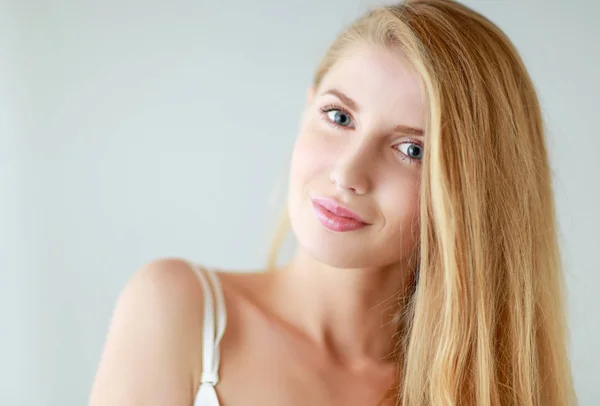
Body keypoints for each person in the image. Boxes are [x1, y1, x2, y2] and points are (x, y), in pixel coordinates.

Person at [88, 0, 576, 405]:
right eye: (339, 117)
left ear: (475, 192)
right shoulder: (180, 309)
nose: (347, 173)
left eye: (412, 150)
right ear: (308, 105)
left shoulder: (485, 389)